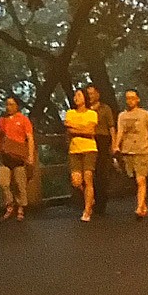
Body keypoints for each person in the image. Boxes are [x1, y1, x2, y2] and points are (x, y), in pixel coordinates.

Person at [113, 89, 148, 218]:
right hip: (127, 151)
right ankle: (142, 204)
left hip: (142, 150)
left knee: (141, 179)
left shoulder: (145, 114)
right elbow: (120, 132)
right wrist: (116, 145)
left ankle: (139, 207)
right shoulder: (122, 116)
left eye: (132, 98)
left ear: (138, 99)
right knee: (132, 179)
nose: (130, 101)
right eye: (127, 98)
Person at [0, 94, 35, 220]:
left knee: (19, 183)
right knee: (2, 182)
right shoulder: (2, 120)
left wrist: (31, 155)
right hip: (4, 155)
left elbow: (30, 138)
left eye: (11, 104)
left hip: (18, 156)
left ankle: (21, 207)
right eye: (7, 104)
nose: (8, 107)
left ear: (17, 106)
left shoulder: (23, 120)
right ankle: (9, 204)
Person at [61, 86, 99, 221]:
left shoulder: (92, 113)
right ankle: (89, 197)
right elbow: (69, 129)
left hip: (89, 149)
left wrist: (76, 128)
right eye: (75, 96)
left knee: (88, 178)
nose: (76, 98)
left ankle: (87, 210)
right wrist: (82, 128)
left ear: (85, 98)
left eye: (79, 95)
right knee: (76, 181)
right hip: (74, 149)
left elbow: (91, 131)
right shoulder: (70, 113)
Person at [86, 82, 115, 217]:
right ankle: (90, 201)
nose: (90, 96)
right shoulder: (85, 109)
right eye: (88, 94)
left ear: (98, 94)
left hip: (102, 140)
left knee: (102, 173)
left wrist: (114, 144)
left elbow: (111, 127)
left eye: (92, 93)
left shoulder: (105, 108)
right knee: (89, 172)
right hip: (89, 140)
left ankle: (101, 204)